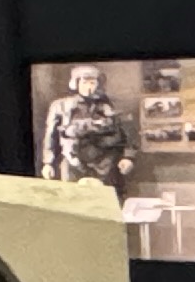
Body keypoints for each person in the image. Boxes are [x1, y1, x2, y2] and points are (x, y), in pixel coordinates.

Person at [38, 64, 136, 192]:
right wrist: (48, 163)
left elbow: (128, 134)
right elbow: (51, 136)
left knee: (107, 202)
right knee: (73, 200)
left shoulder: (112, 107)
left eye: (92, 82)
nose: (89, 87)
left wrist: (128, 157)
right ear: (76, 83)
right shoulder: (60, 106)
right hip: (73, 162)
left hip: (106, 163)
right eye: (85, 82)